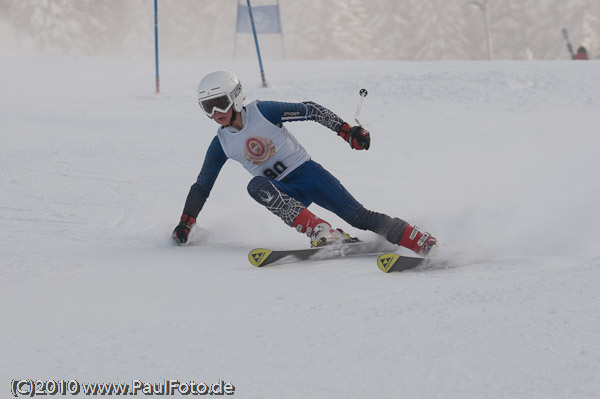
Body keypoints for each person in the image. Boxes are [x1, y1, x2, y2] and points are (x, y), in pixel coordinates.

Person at [172, 70, 437, 256]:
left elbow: (311, 109)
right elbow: (201, 187)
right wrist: (186, 222)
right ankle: (322, 231)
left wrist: (346, 131)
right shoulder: (221, 143)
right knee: (257, 185)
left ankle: (420, 241)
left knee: (359, 217)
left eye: (220, 104)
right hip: (284, 193)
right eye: (208, 108)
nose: (216, 114)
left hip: (310, 176)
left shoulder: (262, 111)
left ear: (236, 97)